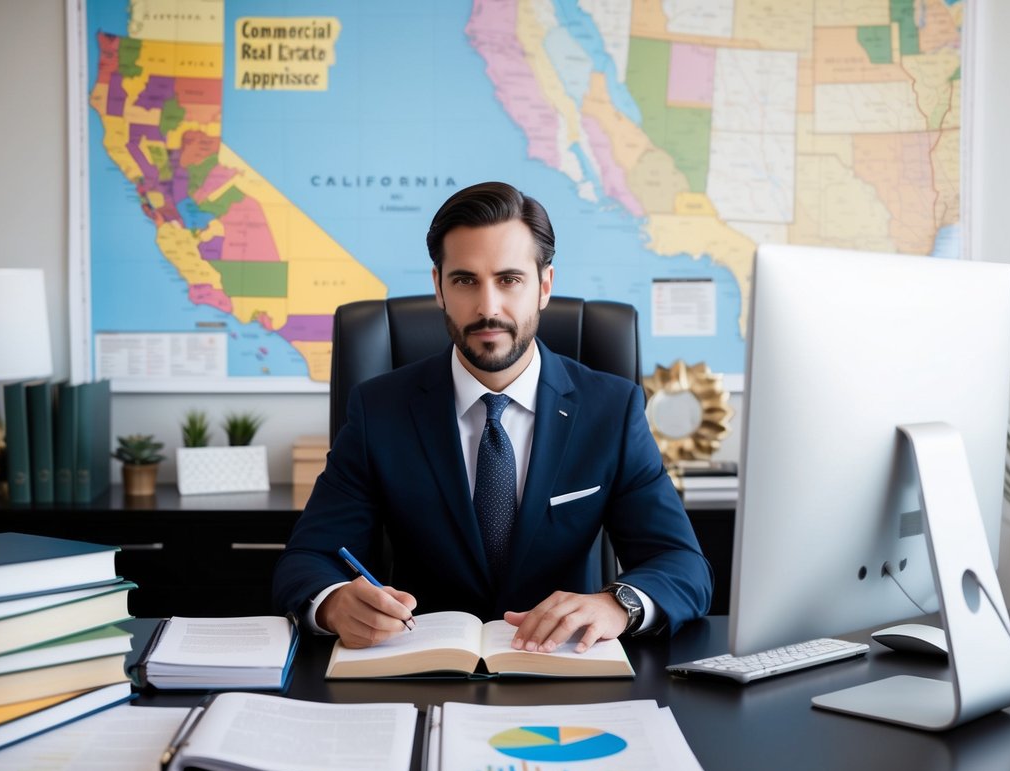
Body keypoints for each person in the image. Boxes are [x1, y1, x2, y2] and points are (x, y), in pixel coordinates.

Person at [272, 181, 712, 652]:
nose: (488, 308)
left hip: (564, 672)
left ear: (544, 286)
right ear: (438, 287)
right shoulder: (379, 409)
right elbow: (308, 559)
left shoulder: (612, 409)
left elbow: (682, 565)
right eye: (465, 280)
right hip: (421, 668)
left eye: (509, 279)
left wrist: (618, 604)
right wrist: (335, 600)